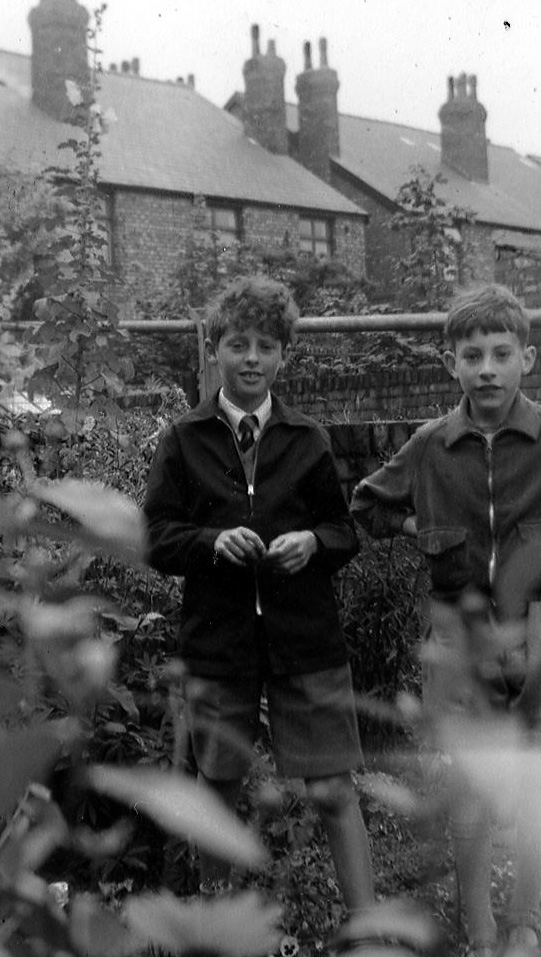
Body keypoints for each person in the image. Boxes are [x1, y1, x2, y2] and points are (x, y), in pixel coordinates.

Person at [143, 276, 375, 932]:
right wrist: (212, 541)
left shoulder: (307, 439)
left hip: (306, 641)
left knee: (332, 789)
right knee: (218, 787)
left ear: (283, 356)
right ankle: (221, 932)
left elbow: (343, 532)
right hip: (219, 645)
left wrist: (312, 541)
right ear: (214, 349)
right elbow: (155, 536)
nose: (250, 357)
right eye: (236, 343)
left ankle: (367, 932)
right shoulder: (184, 439)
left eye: (264, 346)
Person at [351, 283, 541, 957]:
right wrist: (421, 528)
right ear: (449, 363)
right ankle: (478, 924)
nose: (485, 367)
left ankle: (525, 918)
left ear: (526, 356)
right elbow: (365, 506)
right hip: (455, 630)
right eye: (471, 355)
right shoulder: (432, 443)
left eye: (499, 352)